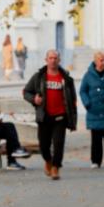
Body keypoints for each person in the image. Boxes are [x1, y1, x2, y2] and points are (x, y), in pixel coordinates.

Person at [23, 49, 77, 180]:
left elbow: (72, 99)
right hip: (44, 116)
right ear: (46, 60)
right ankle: (48, 160)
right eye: (50, 58)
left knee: (58, 144)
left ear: (59, 60)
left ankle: (55, 167)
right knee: (43, 145)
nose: (53, 60)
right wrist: (34, 99)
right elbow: (26, 92)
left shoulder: (66, 78)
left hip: (60, 116)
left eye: (55, 58)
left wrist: (72, 118)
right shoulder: (39, 77)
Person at [79, 52, 104, 169]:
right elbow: (83, 91)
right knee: (96, 138)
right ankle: (95, 160)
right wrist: (87, 103)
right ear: (95, 61)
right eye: (101, 60)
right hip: (93, 111)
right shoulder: (88, 75)